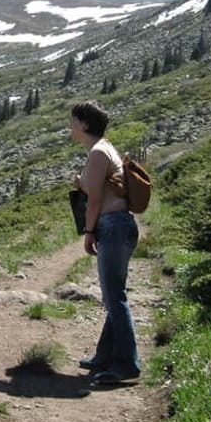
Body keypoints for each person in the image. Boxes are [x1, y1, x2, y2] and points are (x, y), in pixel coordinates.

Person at [70, 100, 140, 384]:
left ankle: (126, 364)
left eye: (73, 121)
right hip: (121, 225)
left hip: (111, 226)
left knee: (114, 298)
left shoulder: (98, 153)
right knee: (114, 295)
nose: (70, 126)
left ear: (85, 124)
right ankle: (105, 356)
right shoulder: (105, 148)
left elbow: (96, 199)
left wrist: (88, 232)